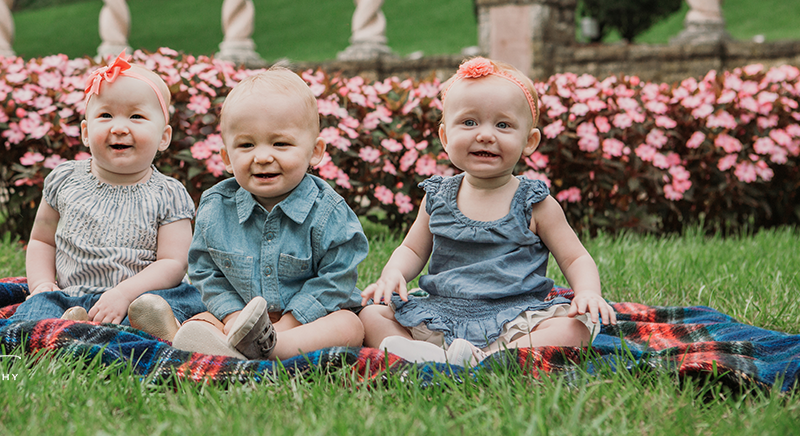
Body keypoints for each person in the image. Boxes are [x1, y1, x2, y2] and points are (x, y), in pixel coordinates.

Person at [360, 57, 617, 366]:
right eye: (469, 122)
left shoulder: (535, 204)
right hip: (442, 312)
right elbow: (412, 249)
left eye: (503, 125)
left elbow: (575, 257)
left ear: (529, 141)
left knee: (575, 328)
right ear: (445, 137)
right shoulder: (438, 197)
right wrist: (393, 273)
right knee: (371, 313)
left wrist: (588, 292)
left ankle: (485, 358)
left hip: (515, 318)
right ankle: (428, 353)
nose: (485, 135)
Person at [135, 67, 367, 360]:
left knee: (349, 325)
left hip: (307, 321)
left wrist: (287, 326)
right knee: (203, 318)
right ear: (227, 158)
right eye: (246, 145)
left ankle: (271, 349)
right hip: (238, 316)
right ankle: (190, 336)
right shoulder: (216, 207)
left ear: (315, 151)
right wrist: (233, 317)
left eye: (280, 143)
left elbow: (337, 277)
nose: (262, 157)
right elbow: (206, 272)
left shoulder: (328, 211)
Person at [9, 51, 204, 333]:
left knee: (180, 299)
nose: (119, 127)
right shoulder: (64, 180)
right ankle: (63, 327)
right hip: (70, 295)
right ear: (86, 132)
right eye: (106, 115)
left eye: (136, 116)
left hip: (138, 296)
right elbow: (42, 241)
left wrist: (125, 294)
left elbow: (173, 263)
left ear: (164, 137)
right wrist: (41, 285)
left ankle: (147, 327)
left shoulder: (169, 194)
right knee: (38, 307)